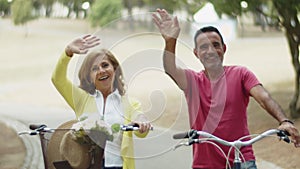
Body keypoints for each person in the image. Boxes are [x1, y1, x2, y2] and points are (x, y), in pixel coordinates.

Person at [152, 8, 300, 169]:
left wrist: (284, 121)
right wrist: (170, 41)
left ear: (224, 48)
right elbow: (170, 69)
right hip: (205, 164)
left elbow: (264, 98)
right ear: (196, 53)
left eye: (215, 45)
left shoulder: (241, 74)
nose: (210, 51)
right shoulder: (192, 81)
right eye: (203, 47)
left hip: (242, 159)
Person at [51, 34, 152, 169]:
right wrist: (68, 52)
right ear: (89, 77)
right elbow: (57, 79)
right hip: (88, 165)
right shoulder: (82, 99)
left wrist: (142, 122)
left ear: (114, 69)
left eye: (105, 65)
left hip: (118, 166)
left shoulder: (129, 103)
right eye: (95, 69)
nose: (101, 71)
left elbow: (140, 121)